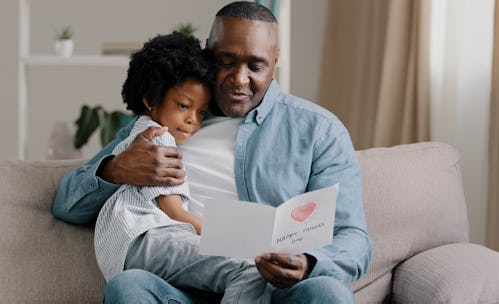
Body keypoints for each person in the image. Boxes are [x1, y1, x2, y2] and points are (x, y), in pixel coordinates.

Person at [52, 2, 371, 303]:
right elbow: (67, 204)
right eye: (226, 61)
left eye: (255, 66)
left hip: (272, 291)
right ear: (208, 52)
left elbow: (352, 237)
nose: (239, 79)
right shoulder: (167, 120)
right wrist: (116, 170)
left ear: (275, 62)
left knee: (328, 292)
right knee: (129, 286)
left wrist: (307, 263)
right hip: (180, 289)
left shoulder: (318, 130)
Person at [93, 31, 269, 304]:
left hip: (124, 249)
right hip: (149, 240)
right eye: (184, 106)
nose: (192, 121)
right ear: (150, 100)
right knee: (251, 271)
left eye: (200, 112)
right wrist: (233, 238)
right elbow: (174, 212)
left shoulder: (135, 135)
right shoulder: (157, 140)